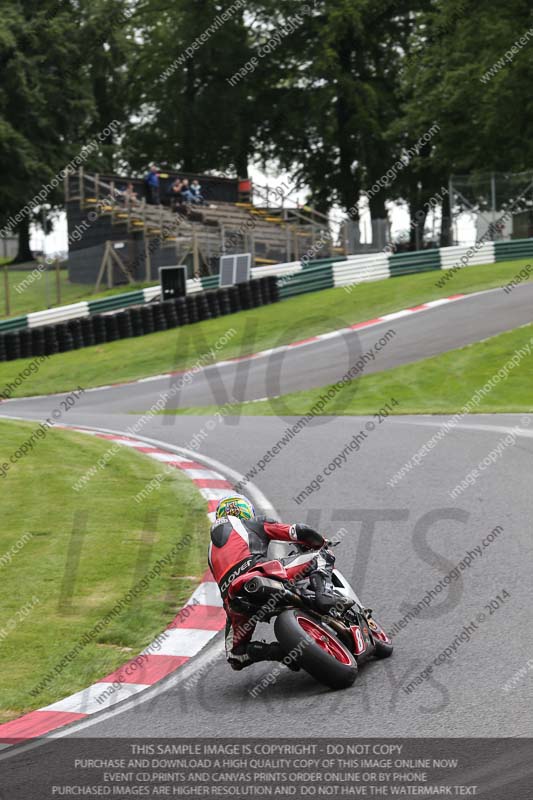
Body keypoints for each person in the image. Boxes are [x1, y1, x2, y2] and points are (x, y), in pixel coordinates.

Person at [208, 494, 337, 671]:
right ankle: (325, 596)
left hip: (236, 600)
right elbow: (299, 531)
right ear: (247, 511)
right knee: (323, 556)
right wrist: (321, 541)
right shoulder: (253, 524)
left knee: (236, 654)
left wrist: (233, 613)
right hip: (262, 574)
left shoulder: (210, 552)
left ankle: (280, 652)